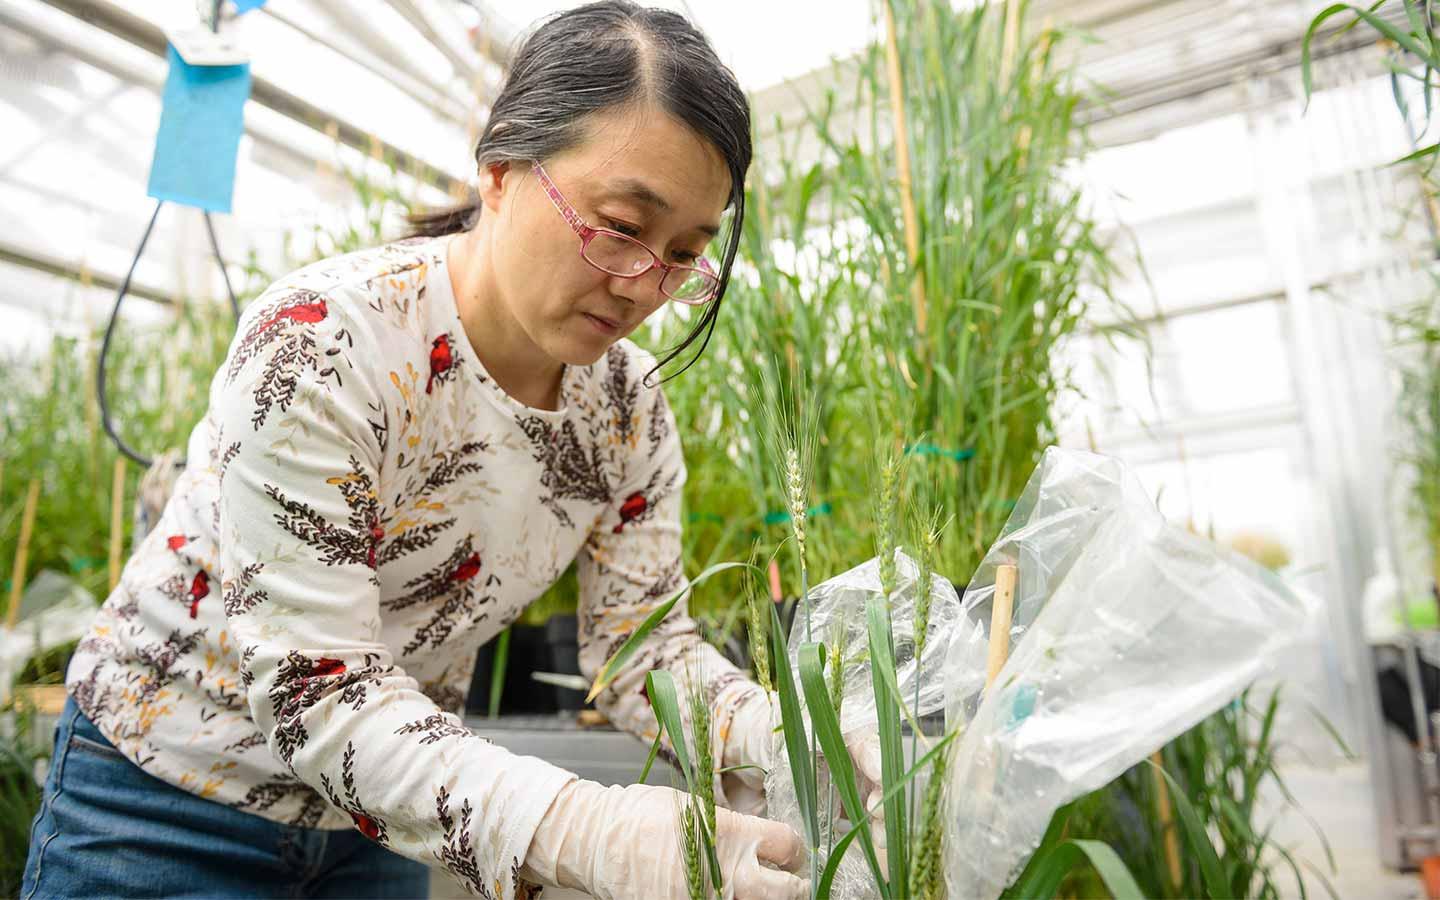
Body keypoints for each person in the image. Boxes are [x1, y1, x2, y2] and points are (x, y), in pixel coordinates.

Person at [21, 3, 881, 899]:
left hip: (377, 816)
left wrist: (781, 733)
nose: (644, 286)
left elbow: (639, 647)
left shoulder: (627, 409)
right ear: (502, 170)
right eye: (623, 227)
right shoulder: (326, 343)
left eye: (684, 255)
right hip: (166, 798)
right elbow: (316, 688)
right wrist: (582, 829)